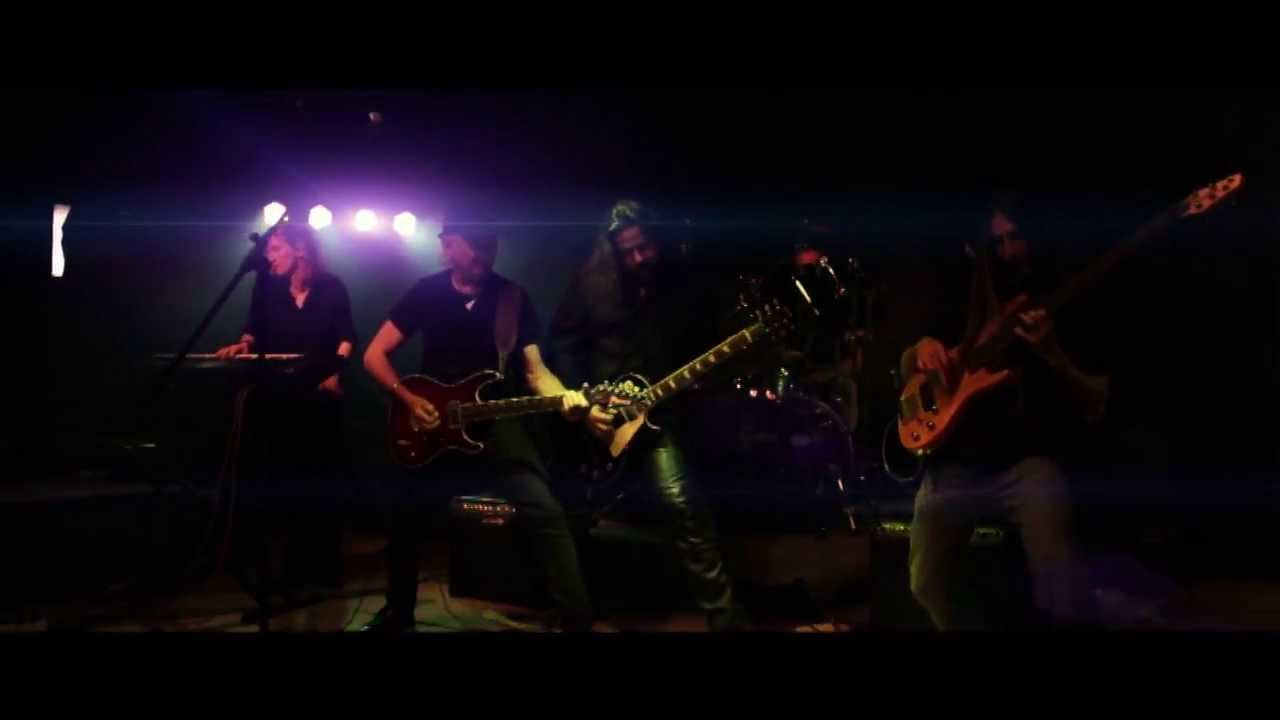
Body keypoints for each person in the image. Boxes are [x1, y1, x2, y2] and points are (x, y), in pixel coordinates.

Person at [361, 219, 595, 632]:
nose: (486, 253)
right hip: (434, 428)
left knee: (546, 512)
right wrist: (410, 400)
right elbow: (373, 355)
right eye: (475, 245)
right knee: (404, 515)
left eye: (491, 244)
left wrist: (567, 399)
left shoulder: (512, 297)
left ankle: (577, 622)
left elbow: (536, 371)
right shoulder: (426, 291)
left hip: (495, 425)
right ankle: (398, 614)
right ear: (450, 246)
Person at [899, 196, 1108, 629]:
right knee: (925, 581)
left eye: (1016, 238)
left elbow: (1095, 399)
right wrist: (920, 347)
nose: (1008, 252)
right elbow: (904, 359)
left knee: (1059, 581)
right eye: (998, 243)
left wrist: (1052, 354)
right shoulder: (957, 288)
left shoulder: (1051, 296)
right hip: (956, 462)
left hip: (1024, 461)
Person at [548, 199, 751, 632]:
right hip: (600, 420)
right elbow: (563, 343)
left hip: (660, 417)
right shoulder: (589, 281)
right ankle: (574, 612)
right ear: (613, 250)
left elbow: (705, 346)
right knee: (572, 508)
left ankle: (726, 621)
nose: (640, 258)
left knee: (682, 504)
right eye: (629, 252)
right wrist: (585, 405)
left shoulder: (681, 285)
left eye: (646, 247)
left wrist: (705, 380)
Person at [213, 222, 356, 606]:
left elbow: (346, 337)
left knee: (319, 484)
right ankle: (279, 573)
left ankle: (319, 573)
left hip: (319, 399)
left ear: (300, 249)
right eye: (268, 250)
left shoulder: (331, 287)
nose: (269, 257)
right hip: (279, 399)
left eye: (275, 249)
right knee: (281, 481)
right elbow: (253, 330)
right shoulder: (267, 288)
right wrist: (243, 344)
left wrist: (334, 371)